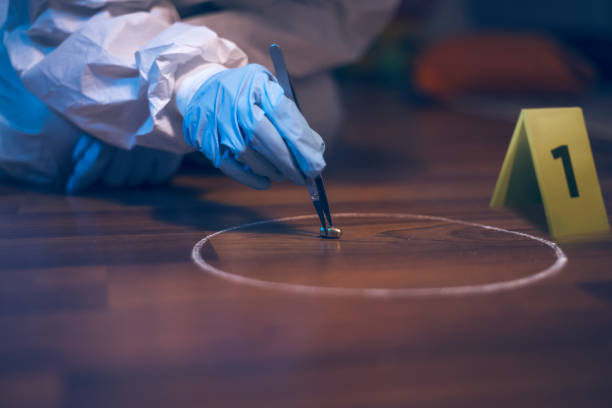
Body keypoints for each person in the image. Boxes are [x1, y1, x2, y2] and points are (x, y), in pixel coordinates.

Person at [0, 1, 399, 193]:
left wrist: (164, 107)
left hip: (183, 24)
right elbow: (59, 22)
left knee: (314, 111)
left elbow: (318, 24)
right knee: (49, 131)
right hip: (48, 25)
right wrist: (183, 88)